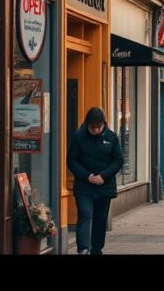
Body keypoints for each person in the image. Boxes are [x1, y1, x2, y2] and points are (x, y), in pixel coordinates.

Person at [67, 107, 124, 255]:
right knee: (85, 214)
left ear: (104, 124)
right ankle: (83, 249)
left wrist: (103, 176)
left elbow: (118, 160)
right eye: (93, 127)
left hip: (104, 186)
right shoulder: (78, 137)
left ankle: (97, 249)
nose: (96, 130)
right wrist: (87, 176)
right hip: (84, 185)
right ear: (87, 124)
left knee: (100, 219)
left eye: (99, 127)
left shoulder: (111, 137)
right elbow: (72, 160)